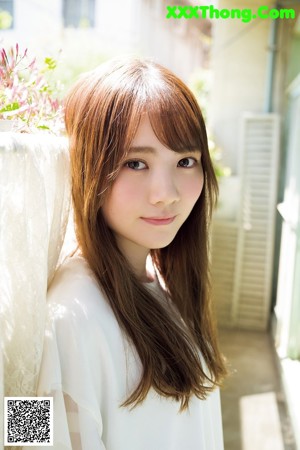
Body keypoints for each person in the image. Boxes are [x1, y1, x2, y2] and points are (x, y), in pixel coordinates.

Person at [33, 57, 227, 450]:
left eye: (185, 161)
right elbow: (23, 438)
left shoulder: (161, 278)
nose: (167, 192)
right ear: (86, 168)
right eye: (135, 163)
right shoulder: (67, 316)